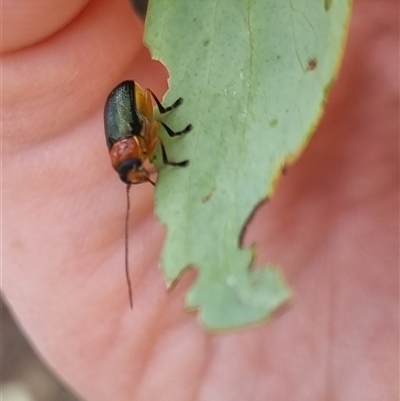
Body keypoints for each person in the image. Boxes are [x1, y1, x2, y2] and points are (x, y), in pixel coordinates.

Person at [2, 0, 398, 400]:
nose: (145, 172)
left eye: (139, 169)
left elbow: (141, 111)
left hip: (130, 99)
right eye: (142, 172)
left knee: (157, 124)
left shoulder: (131, 140)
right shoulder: (127, 149)